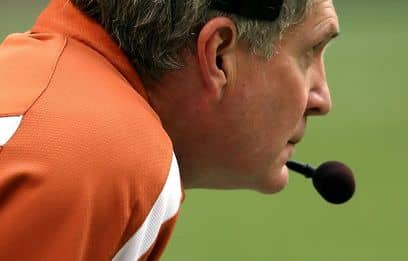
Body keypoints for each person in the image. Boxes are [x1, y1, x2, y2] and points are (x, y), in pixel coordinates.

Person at [0, 0, 338, 259]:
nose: (322, 98)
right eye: (309, 52)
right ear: (219, 54)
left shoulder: (50, 87)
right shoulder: (106, 154)